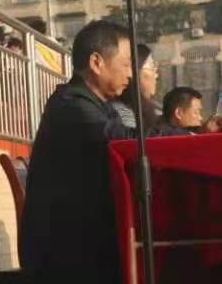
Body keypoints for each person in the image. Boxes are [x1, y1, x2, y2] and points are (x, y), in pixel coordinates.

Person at [20, 20, 136, 284]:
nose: (131, 74)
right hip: (66, 255)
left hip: (83, 242)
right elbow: (123, 140)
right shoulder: (71, 106)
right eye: (126, 64)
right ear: (96, 62)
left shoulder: (101, 105)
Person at [110, 43, 161, 130]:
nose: (156, 75)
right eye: (152, 67)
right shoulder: (123, 112)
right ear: (134, 73)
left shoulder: (156, 107)